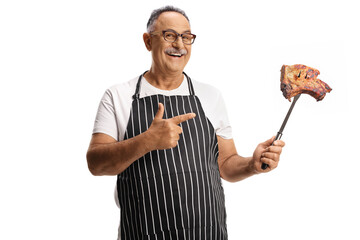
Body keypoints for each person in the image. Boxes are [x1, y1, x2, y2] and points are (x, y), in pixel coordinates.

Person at [86, 5, 285, 240]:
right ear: (148, 41)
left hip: (208, 233)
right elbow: (95, 164)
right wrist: (147, 141)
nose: (179, 45)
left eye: (186, 37)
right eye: (169, 35)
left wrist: (252, 164)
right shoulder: (118, 96)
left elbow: (225, 164)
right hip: (143, 232)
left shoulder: (211, 96)